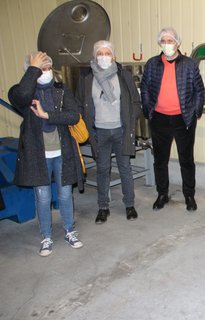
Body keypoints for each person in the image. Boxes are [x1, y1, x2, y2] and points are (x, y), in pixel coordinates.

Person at [8, 51, 84, 256]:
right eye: (41, 68)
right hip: (38, 154)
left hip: (62, 151)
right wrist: (33, 69)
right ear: (31, 71)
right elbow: (20, 97)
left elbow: (73, 115)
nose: (46, 72)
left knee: (66, 194)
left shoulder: (60, 89)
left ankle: (69, 230)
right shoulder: (22, 93)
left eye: (48, 67)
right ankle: (47, 236)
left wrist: (46, 115)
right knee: (42, 196)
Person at [76, 40, 142, 224]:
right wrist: (87, 125)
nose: (103, 56)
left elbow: (136, 102)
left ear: (113, 56)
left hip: (120, 130)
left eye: (107, 53)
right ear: (95, 56)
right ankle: (103, 207)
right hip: (99, 132)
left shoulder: (124, 75)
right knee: (102, 169)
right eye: (100, 53)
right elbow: (80, 103)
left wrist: (130, 120)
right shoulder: (87, 78)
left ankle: (129, 205)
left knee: (125, 169)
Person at [141, 27, 205, 211]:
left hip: (183, 119)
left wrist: (195, 112)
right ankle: (162, 194)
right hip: (159, 119)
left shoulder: (189, 64)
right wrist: (148, 110)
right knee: (160, 160)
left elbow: (199, 90)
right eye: (164, 41)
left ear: (178, 43)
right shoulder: (152, 64)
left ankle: (189, 195)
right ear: (159, 43)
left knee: (186, 159)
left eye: (171, 41)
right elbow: (145, 88)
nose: (167, 44)